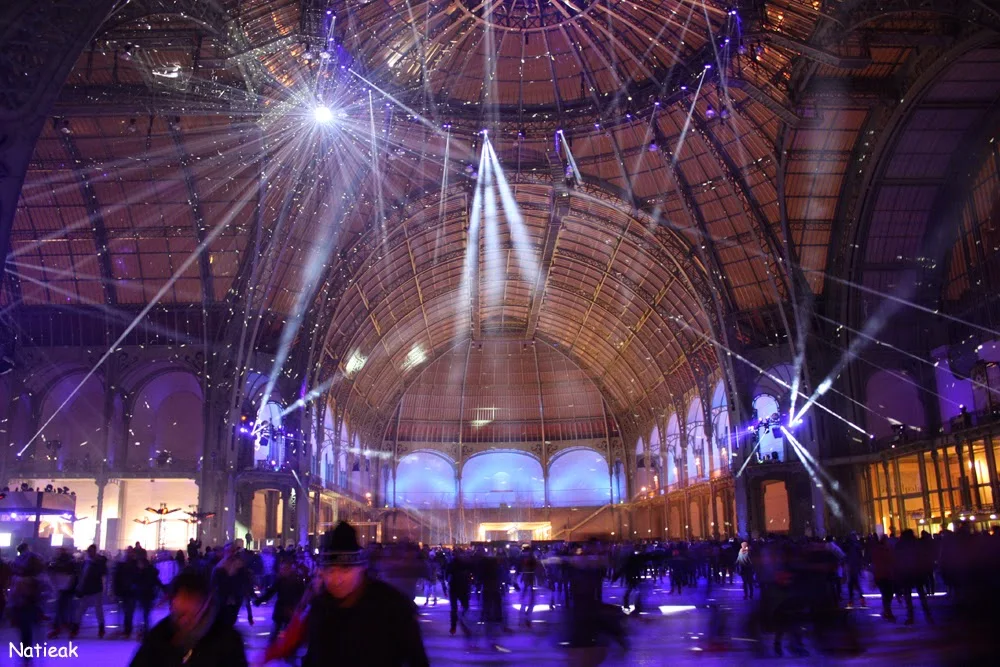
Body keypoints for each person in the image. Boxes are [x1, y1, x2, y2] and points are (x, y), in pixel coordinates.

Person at [263, 521, 429, 666]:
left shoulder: (392, 606)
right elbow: (313, 657)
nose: (336, 579)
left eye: (346, 570)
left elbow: (416, 659)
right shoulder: (321, 607)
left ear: (361, 568)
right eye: (330, 570)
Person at [129, 570, 247, 667]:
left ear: (204, 607)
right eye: (179, 614)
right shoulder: (160, 636)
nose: (184, 621)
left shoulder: (227, 640)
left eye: (190, 614)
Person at [254, 558, 306, 642]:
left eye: (284, 569)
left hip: (290, 608)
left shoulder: (296, 580)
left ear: (289, 569)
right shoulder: (281, 580)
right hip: (282, 608)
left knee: (285, 630)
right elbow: (271, 592)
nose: (282, 571)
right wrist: (259, 600)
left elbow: (302, 595)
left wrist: (300, 607)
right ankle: (273, 648)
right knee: (278, 629)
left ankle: (282, 648)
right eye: (281, 569)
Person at [71, 544, 108, 639]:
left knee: (96, 609)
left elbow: (101, 574)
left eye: (91, 551)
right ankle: (76, 627)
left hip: (95, 589)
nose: (89, 553)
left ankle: (100, 628)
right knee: (82, 609)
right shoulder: (86, 563)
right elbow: (82, 576)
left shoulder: (96, 563)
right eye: (89, 551)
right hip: (88, 589)